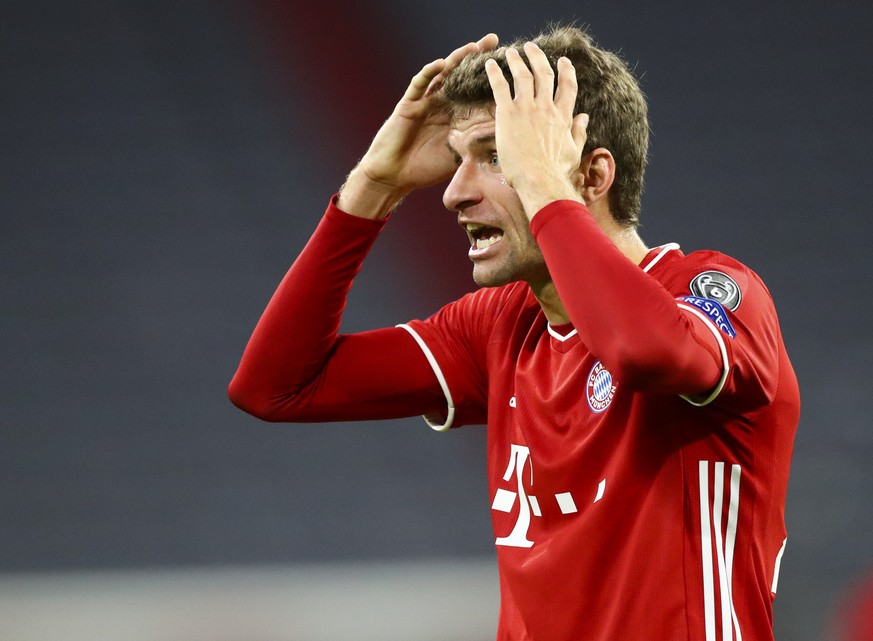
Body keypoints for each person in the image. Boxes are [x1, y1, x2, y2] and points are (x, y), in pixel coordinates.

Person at [229, 25, 800, 641]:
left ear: (592, 174)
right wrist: (375, 185)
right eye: (459, 160)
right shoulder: (501, 326)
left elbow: (642, 353)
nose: (453, 192)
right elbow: (275, 387)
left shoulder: (714, 293)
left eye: (497, 156)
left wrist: (545, 186)